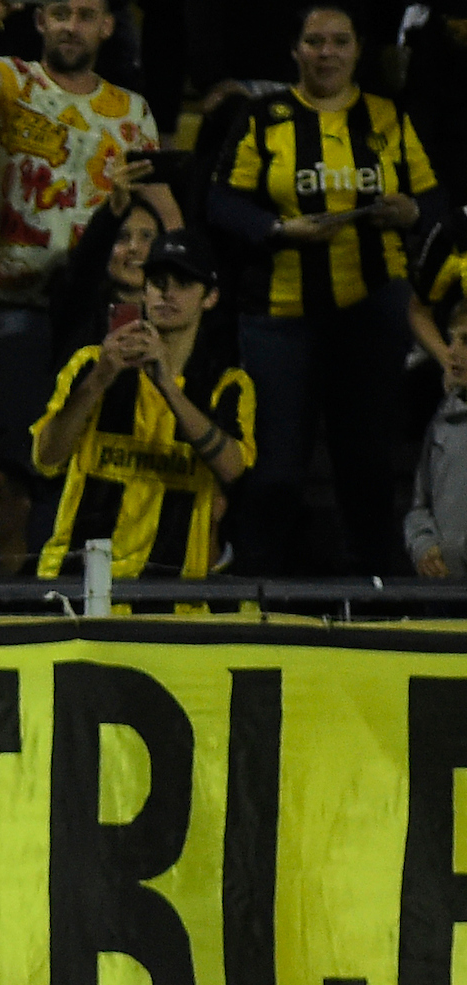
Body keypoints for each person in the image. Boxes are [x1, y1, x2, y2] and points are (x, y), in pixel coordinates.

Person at [210, 4, 440, 576]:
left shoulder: (389, 117)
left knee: (365, 466)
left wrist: (411, 211)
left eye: (339, 41)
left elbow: (434, 201)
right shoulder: (265, 116)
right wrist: (276, 229)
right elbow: (222, 202)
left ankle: (379, 598)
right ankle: (257, 591)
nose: (327, 53)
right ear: (295, 50)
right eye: (315, 41)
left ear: (359, 49)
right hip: (279, 316)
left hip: (371, 315)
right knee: (277, 472)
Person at [0, 0, 163, 470]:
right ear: (40, 20)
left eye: (85, 15)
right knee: (25, 457)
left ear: (108, 26)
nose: (72, 26)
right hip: (17, 306)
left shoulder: (133, 111)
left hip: (101, 313)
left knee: (91, 457)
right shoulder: (11, 80)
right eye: (61, 13)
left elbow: (160, 206)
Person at [31, 237, 256, 583]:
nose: (167, 294)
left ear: (209, 297)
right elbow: (46, 459)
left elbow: (233, 469)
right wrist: (100, 379)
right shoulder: (91, 364)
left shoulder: (228, 385)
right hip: (80, 583)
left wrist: (169, 387)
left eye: (183, 284)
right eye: (158, 284)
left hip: (170, 594)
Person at [52, 182, 173, 367]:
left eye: (147, 237)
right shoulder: (79, 309)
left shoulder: (175, 313)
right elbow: (83, 271)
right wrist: (111, 216)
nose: (134, 248)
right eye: (122, 237)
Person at [406, 298, 467, 578]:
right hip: (444, 597)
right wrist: (424, 548)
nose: (452, 352)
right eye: (451, 340)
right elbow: (420, 505)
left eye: (466, 341)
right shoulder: (443, 420)